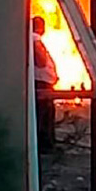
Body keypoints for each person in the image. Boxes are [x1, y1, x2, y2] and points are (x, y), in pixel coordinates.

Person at [32, 17, 58, 151]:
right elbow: (41, 62)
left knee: (45, 114)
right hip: (41, 83)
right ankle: (44, 145)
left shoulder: (33, 39)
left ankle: (45, 144)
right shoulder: (34, 39)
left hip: (44, 82)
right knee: (43, 115)